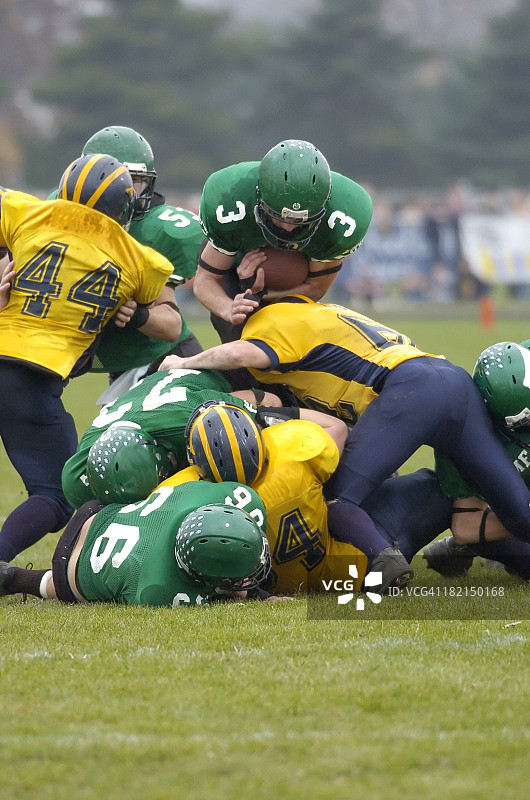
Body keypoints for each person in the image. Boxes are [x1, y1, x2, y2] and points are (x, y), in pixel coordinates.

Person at [159, 297, 530, 559]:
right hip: (451, 381)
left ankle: (383, 562)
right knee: (518, 511)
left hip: (411, 390)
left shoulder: (276, 321)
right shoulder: (324, 315)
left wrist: (183, 361)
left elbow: (242, 353)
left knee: (336, 498)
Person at [0, 153, 174, 562]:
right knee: (58, 494)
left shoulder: (25, 212)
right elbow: (171, 324)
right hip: (31, 380)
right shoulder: (140, 260)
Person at [161, 402, 454, 595]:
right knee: (436, 488)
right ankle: (442, 550)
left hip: (302, 583)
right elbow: (338, 429)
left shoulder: (189, 491)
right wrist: (278, 412)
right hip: (356, 559)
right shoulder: (290, 449)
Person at [59, 126, 207, 405]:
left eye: (133, 180)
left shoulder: (157, 230)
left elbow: (171, 325)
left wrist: (136, 313)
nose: (124, 191)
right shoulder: (62, 215)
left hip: (160, 359)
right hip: (112, 358)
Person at [194, 139, 373, 357]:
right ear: (259, 197)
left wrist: (265, 294)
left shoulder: (342, 220)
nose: (288, 228)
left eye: (301, 221)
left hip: (294, 280)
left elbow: (315, 288)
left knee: (292, 351)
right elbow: (205, 280)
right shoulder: (232, 198)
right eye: (278, 217)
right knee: (242, 349)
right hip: (235, 265)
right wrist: (229, 308)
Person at [0, 481, 274, 607]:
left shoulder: (210, 497)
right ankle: (14, 579)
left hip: (97, 511)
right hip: (71, 567)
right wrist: (253, 594)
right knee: (78, 586)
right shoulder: (157, 589)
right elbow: (221, 592)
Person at [61, 366, 281, 510]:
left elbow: (269, 402)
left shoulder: (189, 420)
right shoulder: (77, 479)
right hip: (155, 396)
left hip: (207, 375)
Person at [424, 340, 530, 580]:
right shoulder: (462, 437)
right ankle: (485, 550)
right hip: (514, 511)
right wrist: (519, 522)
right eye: (525, 420)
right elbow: (466, 527)